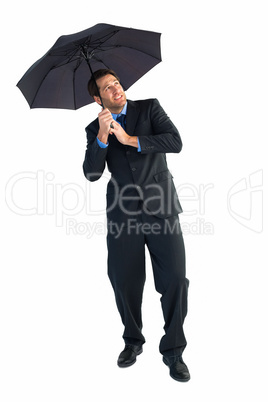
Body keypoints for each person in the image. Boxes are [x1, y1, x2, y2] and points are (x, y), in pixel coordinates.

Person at [83, 69, 190, 382]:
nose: (116, 89)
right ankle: (132, 341)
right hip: (123, 214)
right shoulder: (94, 127)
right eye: (107, 87)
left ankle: (174, 351)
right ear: (97, 98)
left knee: (174, 281)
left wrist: (129, 139)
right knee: (124, 281)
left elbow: (175, 141)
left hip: (162, 208)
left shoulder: (149, 108)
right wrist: (103, 136)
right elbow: (91, 173)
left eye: (116, 83)